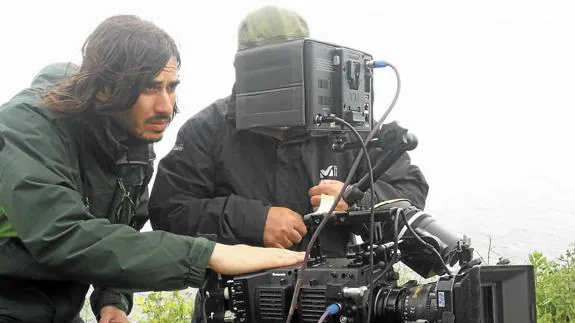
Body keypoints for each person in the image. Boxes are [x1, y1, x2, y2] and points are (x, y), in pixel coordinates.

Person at [0, 15, 305, 323]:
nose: (166, 106)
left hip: (57, 309)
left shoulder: (129, 132)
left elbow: (121, 230)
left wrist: (113, 301)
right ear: (104, 87)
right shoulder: (27, 126)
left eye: (171, 87)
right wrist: (210, 253)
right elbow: (62, 234)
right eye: (149, 88)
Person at [149, 6, 429, 260]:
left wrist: (357, 201)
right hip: (237, 303)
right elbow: (169, 211)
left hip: (334, 302)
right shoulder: (209, 129)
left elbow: (411, 192)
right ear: (244, 67)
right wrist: (254, 221)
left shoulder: (348, 125)